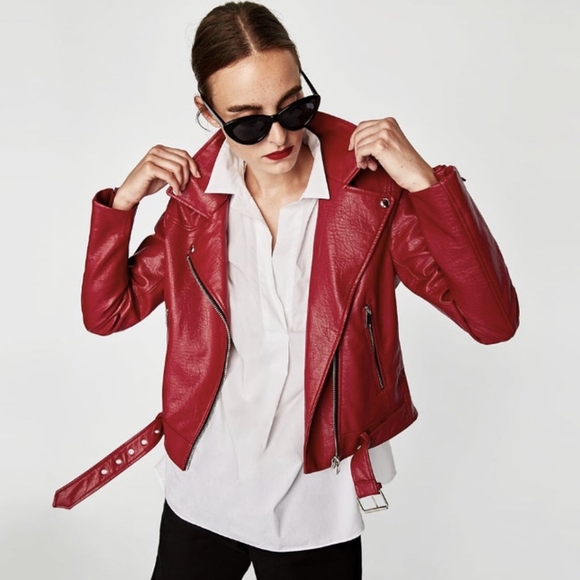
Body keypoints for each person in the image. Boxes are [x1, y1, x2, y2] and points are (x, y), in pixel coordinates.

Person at [53, 2, 519, 578]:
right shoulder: (194, 205)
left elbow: (493, 321)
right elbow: (108, 313)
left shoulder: (372, 197)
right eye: (247, 122)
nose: (278, 136)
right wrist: (121, 205)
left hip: (316, 498)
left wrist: (425, 183)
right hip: (203, 486)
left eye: (294, 106)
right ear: (207, 113)